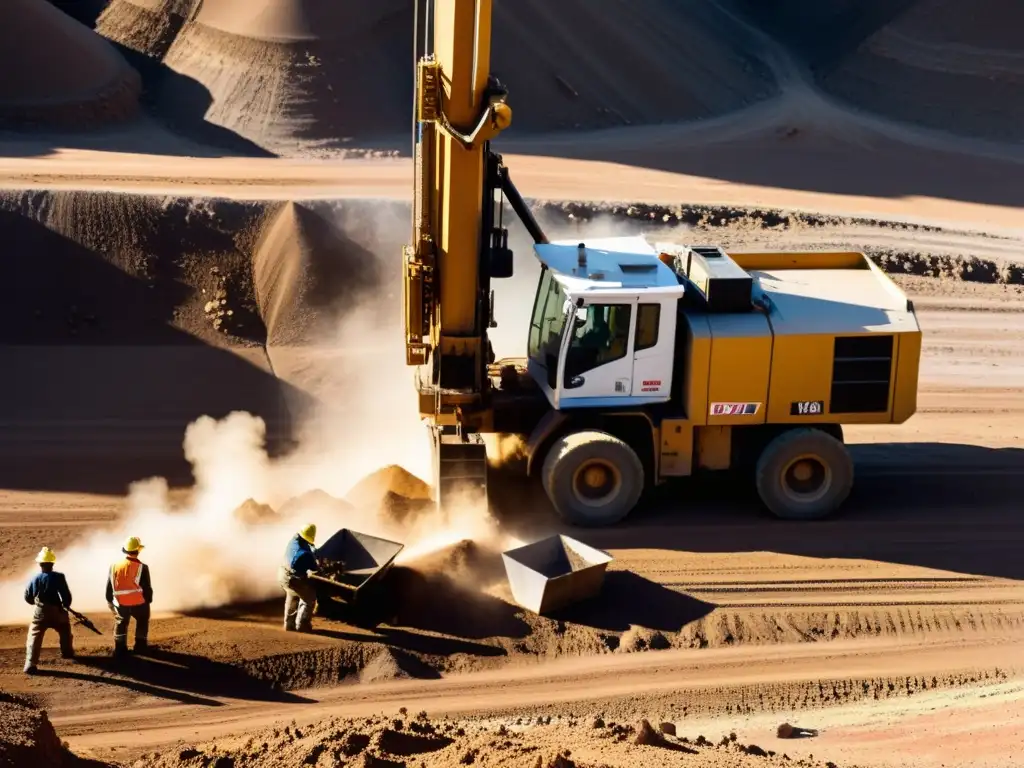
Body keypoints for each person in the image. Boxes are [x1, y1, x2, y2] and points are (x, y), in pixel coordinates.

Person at [23, 547, 74, 674]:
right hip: (57, 611)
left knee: (34, 635)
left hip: (40, 613)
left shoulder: (35, 578)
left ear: (40, 564)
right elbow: (66, 596)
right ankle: (67, 652)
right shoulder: (59, 577)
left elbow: (28, 597)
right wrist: (65, 606)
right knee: (65, 629)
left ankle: (30, 664)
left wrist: (35, 604)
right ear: (52, 563)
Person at [105, 536, 153, 657]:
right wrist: (148, 601)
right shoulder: (142, 567)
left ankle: (120, 649)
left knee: (121, 621)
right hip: (138, 603)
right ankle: (140, 647)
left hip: (120, 603)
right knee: (142, 620)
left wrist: (111, 602)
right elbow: (147, 589)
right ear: (138, 551)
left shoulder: (113, 566)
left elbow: (108, 588)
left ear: (125, 550)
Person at [279, 523, 319, 632]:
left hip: (283, 575)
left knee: (292, 595)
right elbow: (315, 568)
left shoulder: (294, 540)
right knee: (308, 597)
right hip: (293, 578)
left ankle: (289, 624)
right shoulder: (305, 555)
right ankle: (302, 625)